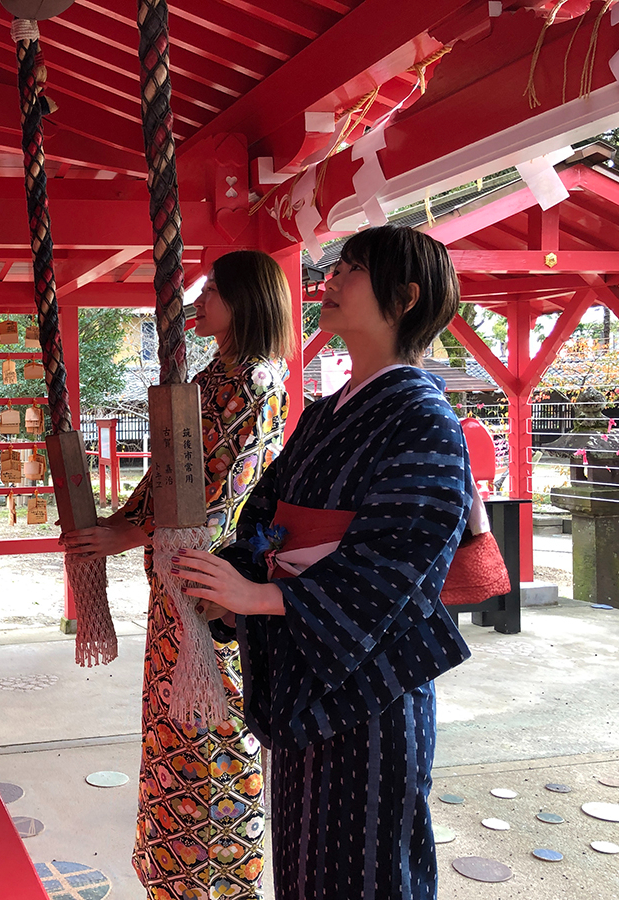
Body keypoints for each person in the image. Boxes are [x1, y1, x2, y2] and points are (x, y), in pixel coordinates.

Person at [174, 225, 472, 900]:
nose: (330, 280)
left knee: (368, 870)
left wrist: (268, 598)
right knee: (306, 866)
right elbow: (264, 521)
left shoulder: (424, 418)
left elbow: (397, 560)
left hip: (372, 684)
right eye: (335, 267)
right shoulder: (324, 415)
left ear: (405, 297)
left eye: (353, 270)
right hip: (307, 675)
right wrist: (233, 584)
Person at [61, 250, 294, 900]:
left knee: (207, 730)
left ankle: (207, 884)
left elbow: (197, 488)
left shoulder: (245, 383)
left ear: (245, 300)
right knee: (181, 730)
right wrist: (117, 526)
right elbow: (172, 477)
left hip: (209, 586)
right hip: (187, 579)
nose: (198, 298)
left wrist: (118, 532)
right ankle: (180, 879)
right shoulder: (223, 376)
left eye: (213, 289)